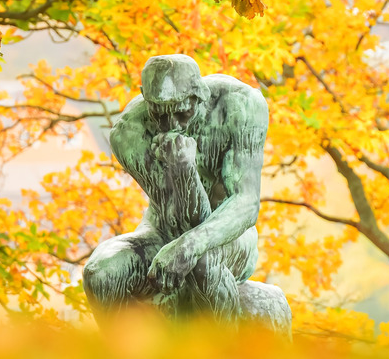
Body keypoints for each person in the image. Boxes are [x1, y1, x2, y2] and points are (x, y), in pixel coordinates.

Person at [82, 54, 268, 323]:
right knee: (100, 273)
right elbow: (179, 219)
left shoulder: (241, 106)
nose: (172, 127)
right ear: (146, 102)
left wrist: (188, 245)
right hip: (162, 230)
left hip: (230, 235)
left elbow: (246, 204)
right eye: (159, 115)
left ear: (199, 95)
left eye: (182, 112)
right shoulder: (128, 132)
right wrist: (180, 169)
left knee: (202, 261)